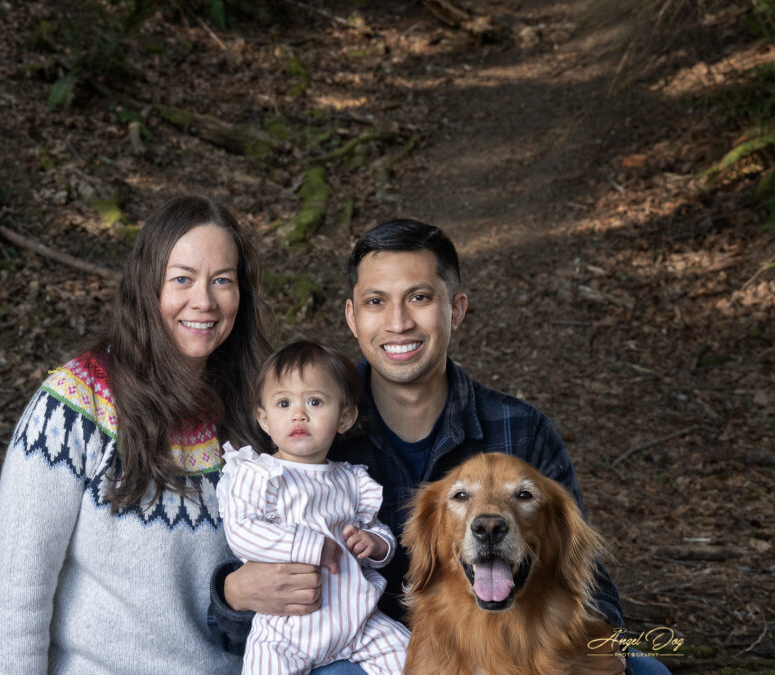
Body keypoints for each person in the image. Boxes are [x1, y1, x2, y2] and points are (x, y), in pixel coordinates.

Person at [211, 219, 671, 675]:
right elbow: (236, 616)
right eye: (376, 302)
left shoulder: (521, 430)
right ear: (352, 316)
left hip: (509, 654)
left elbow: (587, 583)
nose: (398, 322)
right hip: (355, 654)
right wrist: (234, 594)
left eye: (420, 297)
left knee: (646, 671)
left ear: (456, 309)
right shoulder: (305, 433)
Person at [0, 195, 270, 674]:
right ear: (146, 285)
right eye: (182, 278)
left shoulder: (253, 409)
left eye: (223, 280)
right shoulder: (74, 404)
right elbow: (18, 592)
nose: (204, 300)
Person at [217, 341, 410, 675]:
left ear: (345, 417)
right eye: (283, 403)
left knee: (411, 655)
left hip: (359, 622)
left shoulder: (352, 480)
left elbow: (375, 528)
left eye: (315, 401)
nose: (299, 413)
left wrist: (377, 544)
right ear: (263, 419)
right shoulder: (258, 473)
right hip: (287, 632)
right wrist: (309, 545)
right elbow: (241, 531)